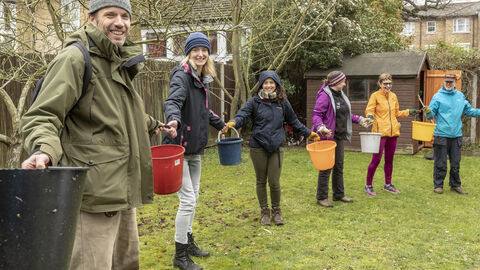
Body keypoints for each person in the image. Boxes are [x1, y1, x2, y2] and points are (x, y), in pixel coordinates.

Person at [20, 0, 166, 269]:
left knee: (127, 264)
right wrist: (44, 149)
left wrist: (153, 123)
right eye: (110, 14)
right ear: (91, 18)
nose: (119, 22)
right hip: (91, 197)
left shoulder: (118, 61)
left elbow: (120, 116)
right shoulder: (75, 59)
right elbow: (42, 115)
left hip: (122, 191)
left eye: (125, 16)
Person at [163, 32, 227, 270]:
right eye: (195, 50)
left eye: (204, 50)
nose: (200, 54)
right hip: (179, 146)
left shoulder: (200, 78)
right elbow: (174, 101)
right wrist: (172, 119)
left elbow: (202, 111)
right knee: (188, 200)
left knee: (194, 197)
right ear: (188, 53)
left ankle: (189, 244)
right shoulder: (182, 75)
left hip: (194, 147)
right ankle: (180, 256)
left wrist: (221, 124)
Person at [224, 70, 320, 226]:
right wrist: (233, 122)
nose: (268, 86)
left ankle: (277, 211)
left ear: (276, 85)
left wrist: (310, 134)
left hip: (276, 147)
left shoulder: (282, 102)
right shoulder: (254, 102)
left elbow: (294, 122)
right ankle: (264, 213)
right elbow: (243, 114)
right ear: (261, 85)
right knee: (261, 181)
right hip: (258, 146)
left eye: (271, 83)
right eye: (265, 83)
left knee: (274, 182)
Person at [311, 71, 373, 207]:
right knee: (326, 168)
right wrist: (320, 127)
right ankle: (321, 197)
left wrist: (360, 119)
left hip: (339, 136)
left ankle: (339, 195)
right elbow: (316, 115)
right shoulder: (325, 96)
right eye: (343, 81)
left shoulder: (341, 96)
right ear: (335, 82)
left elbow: (346, 115)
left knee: (339, 166)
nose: (345, 83)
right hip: (327, 137)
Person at [363, 73, 420, 196]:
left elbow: (397, 113)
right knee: (376, 160)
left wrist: (409, 112)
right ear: (380, 84)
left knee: (389, 160)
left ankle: (388, 185)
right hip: (379, 133)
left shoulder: (394, 96)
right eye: (385, 84)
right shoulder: (375, 96)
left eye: (389, 83)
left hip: (393, 133)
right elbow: (369, 110)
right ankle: (368, 186)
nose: (388, 86)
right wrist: (370, 116)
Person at [423, 73, 480, 195]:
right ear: (444, 81)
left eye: (451, 82)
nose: (448, 84)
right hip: (441, 135)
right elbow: (431, 114)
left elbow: (469, 111)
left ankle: (455, 185)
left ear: (455, 83)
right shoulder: (437, 97)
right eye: (447, 81)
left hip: (456, 136)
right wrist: (428, 112)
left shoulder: (460, 96)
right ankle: (438, 185)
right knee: (440, 162)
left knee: (455, 163)